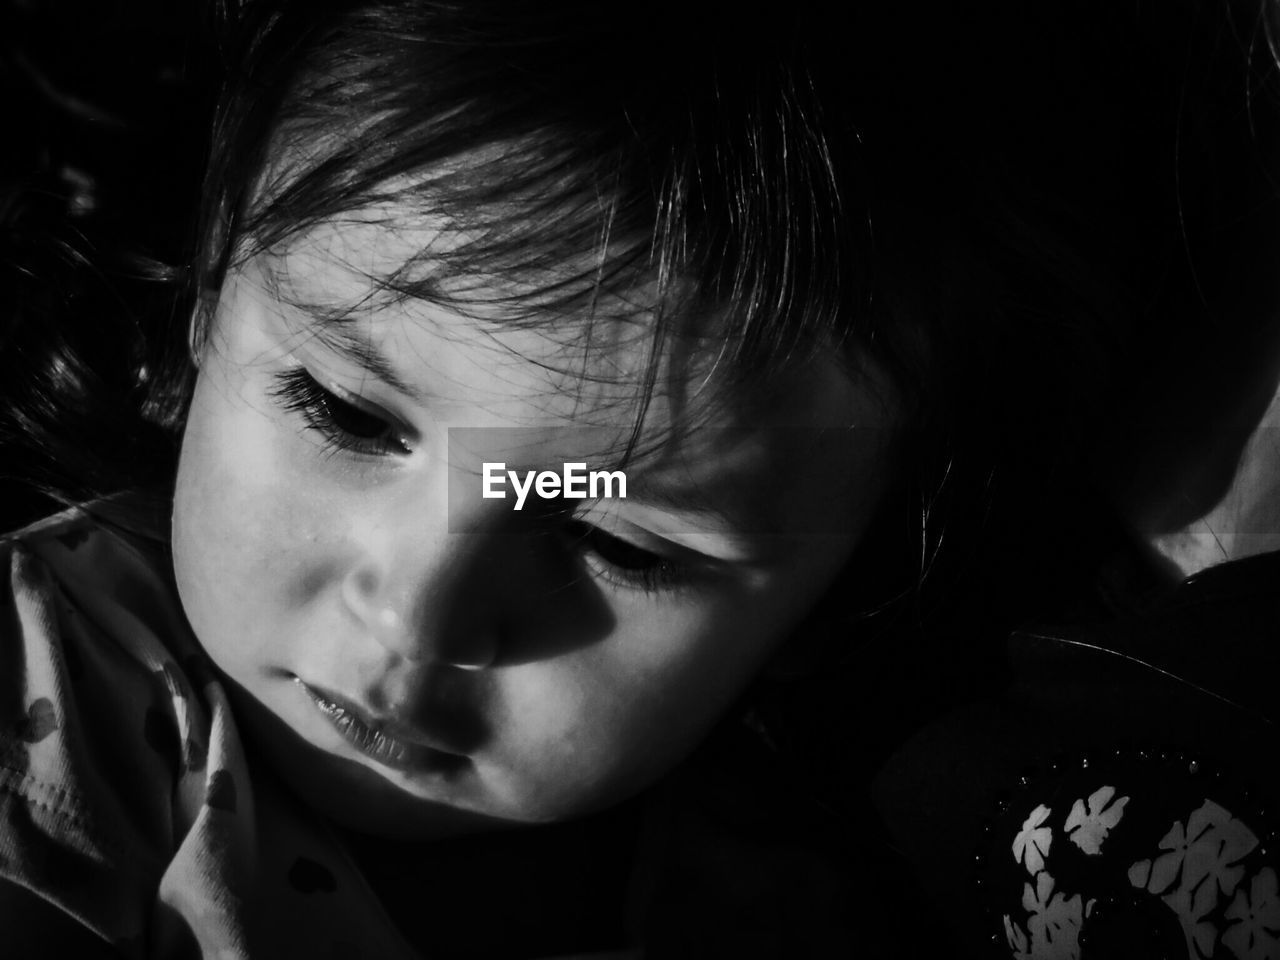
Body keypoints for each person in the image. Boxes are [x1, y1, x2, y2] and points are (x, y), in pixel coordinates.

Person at [0, 0, 1234, 955]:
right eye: (346, 413)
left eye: (620, 543)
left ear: (852, 581)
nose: (420, 611)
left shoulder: (809, 884)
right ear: (200, 314)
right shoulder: (56, 704)